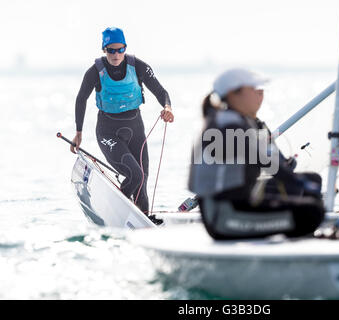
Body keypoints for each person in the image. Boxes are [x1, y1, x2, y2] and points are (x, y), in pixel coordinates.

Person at [188, 68, 325, 240]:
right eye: (254, 90)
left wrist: (300, 181)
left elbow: (269, 163)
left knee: (311, 192)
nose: (260, 95)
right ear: (233, 94)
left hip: (237, 203)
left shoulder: (236, 120)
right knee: (312, 212)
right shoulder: (227, 124)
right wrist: (301, 184)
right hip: (223, 219)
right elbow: (268, 163)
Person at [71, 27, 174, 224]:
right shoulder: (95, 72)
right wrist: (78, 133)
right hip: (107, 131)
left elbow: (161, 91)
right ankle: (117, 211)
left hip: (135, 128)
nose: (116, 54)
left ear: (125, 48)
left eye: (120, 49)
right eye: (111, 50)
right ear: (104, 50)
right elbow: (81, 99)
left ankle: (143, 221)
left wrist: (167, 107)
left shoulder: (139, 67)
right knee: (134, 175)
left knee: (142, 178)